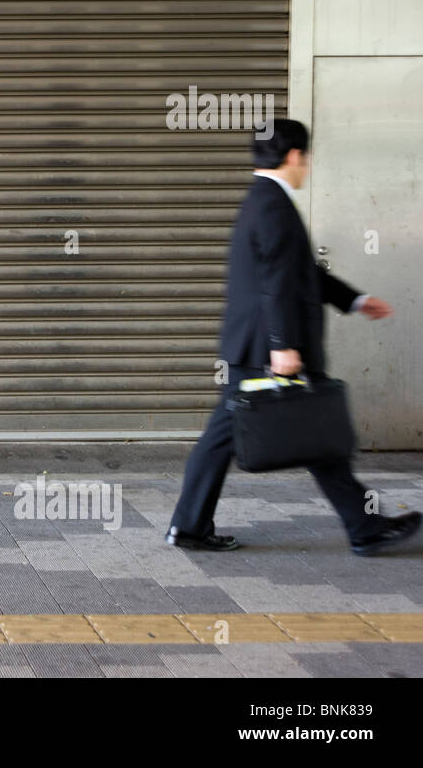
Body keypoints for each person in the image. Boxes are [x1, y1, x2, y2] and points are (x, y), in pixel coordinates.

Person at [166, 118, 420, 556]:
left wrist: (356, 301)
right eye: (307, 157)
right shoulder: (274, 207)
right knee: (310, 434)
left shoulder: (263, 201)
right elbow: (277, 284)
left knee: (303, 436)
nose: (307, 166)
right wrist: (283, 345)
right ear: (295, 156)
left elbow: (298, 275)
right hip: (267, 349)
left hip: (252, 347)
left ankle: (362, 525)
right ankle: (363, 526)